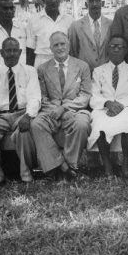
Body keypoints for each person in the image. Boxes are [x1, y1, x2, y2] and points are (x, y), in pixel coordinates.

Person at [0, 38, 41, 185]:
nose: (11, 54)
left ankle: (26, 175)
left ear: (20, 52)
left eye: (14, 50)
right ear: (1, 52)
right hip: (0, 115)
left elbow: (35, 97)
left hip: (22, 113)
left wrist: (28, 115)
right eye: (8, 50)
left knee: (24, 130)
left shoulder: (30, 71)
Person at [31, 31, 92, 181]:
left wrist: (64, 108)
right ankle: (61, 166)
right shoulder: (42, 69)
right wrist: (55, 110)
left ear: (69, 45)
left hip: (75, 110)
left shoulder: (82, 66)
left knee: (82, 124)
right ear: (50, 49)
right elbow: (42, 97)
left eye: (62, 44)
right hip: (50, 111)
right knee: (37, 124)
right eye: (55, 45)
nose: (60, 48)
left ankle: (71, 165)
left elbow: (85, 95)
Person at [88, 35, 128, 180]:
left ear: (126, 50)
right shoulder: (98, 71)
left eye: (120, 47)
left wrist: (120, 105)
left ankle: (125, 166)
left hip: (126, 107)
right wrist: (107, 104)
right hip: (104, 108)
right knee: (99, 122)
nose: (116, 49)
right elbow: (94, 95)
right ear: (107, 49)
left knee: (127, 121)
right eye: (113, 46)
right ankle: (107, 167)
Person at [26, 0, 72, 69]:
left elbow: (72, 47)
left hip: (64, 62)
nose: (53, 1)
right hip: (42, 62)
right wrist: (29, 72)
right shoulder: (34, 20)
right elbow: (30, 49)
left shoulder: (69, 20)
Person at [68, 0, 111, 70]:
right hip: (84, 73)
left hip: (106, 73)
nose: (94, 4)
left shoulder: (111, 24)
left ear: (102, 3)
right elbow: (73, 53)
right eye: (91, 1)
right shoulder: (76, 26)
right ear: (86, 4)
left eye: (97, 0)